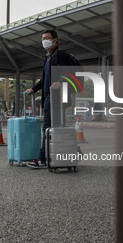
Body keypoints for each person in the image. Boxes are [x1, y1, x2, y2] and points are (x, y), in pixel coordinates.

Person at [25, 29, 77, 168]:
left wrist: (60, 81)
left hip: (57, 97)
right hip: (49, 97)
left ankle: (43, 159)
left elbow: (72, 71)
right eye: (42, 38)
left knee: (48, 127)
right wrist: (34, 89)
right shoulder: (49, 57)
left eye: (47, 38)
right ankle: (59, 155)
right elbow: (44, 79)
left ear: (55, 40)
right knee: (53, 128)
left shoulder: (60, 54)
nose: (44, 40)